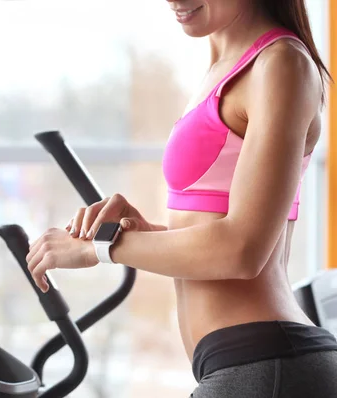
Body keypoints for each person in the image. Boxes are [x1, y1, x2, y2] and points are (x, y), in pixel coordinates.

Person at [25, 0, 337, 397]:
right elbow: (223, 228)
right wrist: (147, 232)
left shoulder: (281, 63)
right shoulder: (224, 66)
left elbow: (243, 250)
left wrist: (103, 248)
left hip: (266, 364)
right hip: (241, 364)